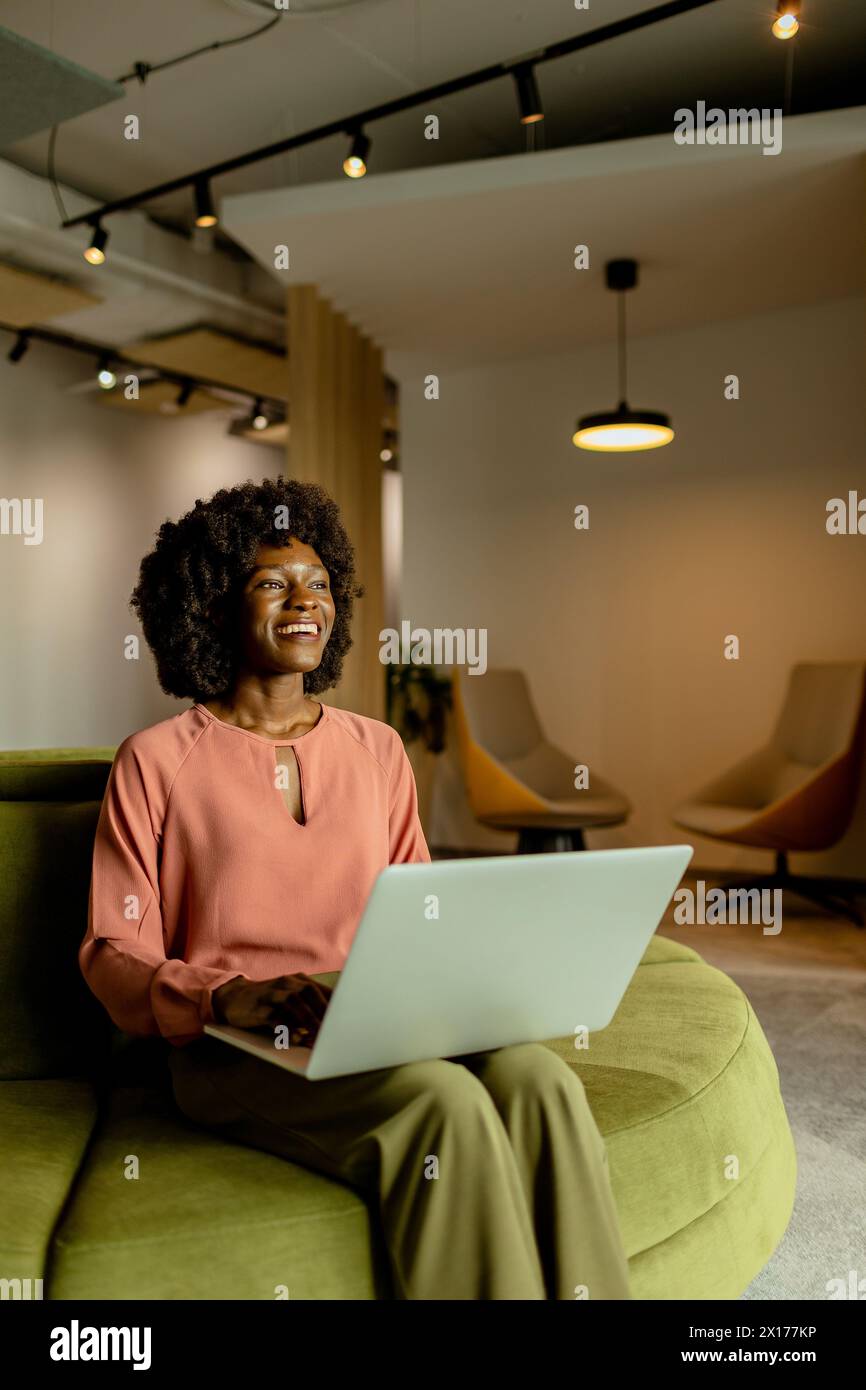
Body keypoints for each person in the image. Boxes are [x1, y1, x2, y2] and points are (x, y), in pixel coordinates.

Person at [79, 475, 631, 1301]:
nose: (305, 600)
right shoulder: (155, 760)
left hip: (384, 1018)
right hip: (238, 1045)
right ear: (213, 602)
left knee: (542, 1079)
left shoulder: (378, 749)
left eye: (320, 584)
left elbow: (424, 909)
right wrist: (223, 998)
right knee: (441, 1103)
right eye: (272, 582)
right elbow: (111, 952)